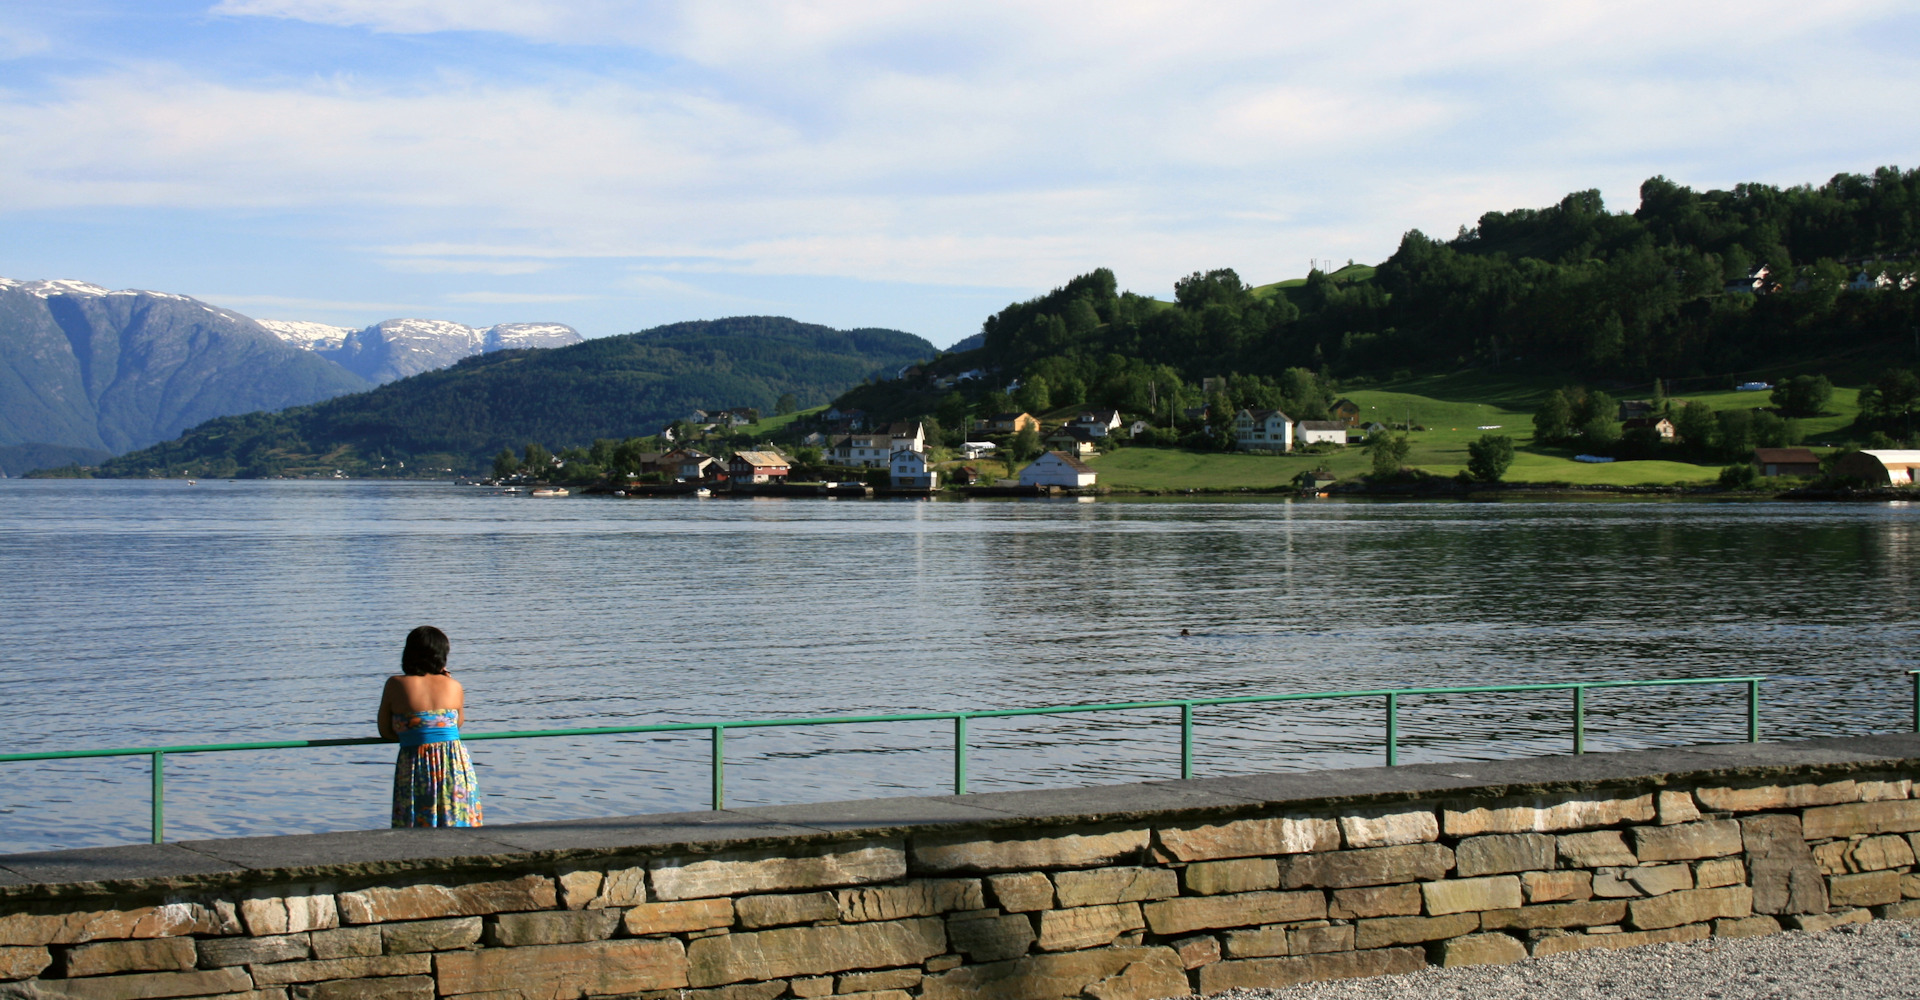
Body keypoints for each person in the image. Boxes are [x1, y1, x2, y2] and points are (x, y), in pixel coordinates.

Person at [379, 625, 483, 827]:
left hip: (415, 765)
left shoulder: (395, 684)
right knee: (457, 822)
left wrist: (414, 733)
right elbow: (457, 724)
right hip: (454, 764)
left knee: (416, 827)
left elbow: (385, 731)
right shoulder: (454, 686)